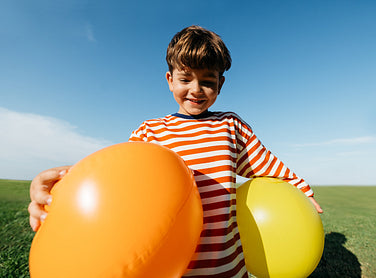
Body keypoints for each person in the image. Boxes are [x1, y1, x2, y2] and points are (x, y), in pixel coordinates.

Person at [29, 25, 323, 278]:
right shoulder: (150, 133)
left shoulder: (230, 126)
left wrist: (302, 190)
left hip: (228, 268)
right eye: (186, 78)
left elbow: (266, 164)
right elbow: (115, 186)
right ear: (170, 81)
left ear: (220, 84)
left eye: (207, 81)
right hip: (174, 269)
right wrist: (58, 189)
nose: (196, 89)